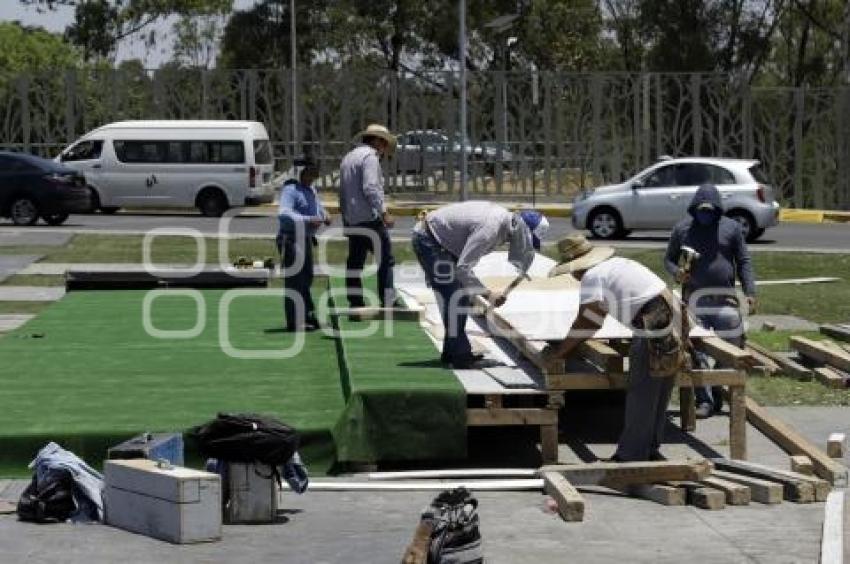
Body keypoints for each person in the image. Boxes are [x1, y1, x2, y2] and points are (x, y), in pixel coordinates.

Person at [543, 234, 690, 462]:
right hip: (674, 319)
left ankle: (631, 456)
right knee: (658, 391)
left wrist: (560, 352)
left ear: (576, 267)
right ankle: (649, 448)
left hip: (654, 325)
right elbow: (595, 316)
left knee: (641, 393)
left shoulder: (592, 276)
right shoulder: (616, 265)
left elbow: (588, 321)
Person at [412, 201, 548, 369]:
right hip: (430, 241)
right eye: (529, 242)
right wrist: (488, 294)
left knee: (459, 295)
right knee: (456, 298)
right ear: (522, 232)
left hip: (439, 242)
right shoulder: (490, 230)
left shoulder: (502, 224)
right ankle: (460, 357)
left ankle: (452, 354)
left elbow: (464, 265)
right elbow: (463, 269)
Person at [664, 183, 756, 419]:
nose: (706, 214)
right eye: (701, 210)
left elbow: (743, 261)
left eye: (710, 210)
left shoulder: (731, 228)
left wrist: (750, 292)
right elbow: (668, 260)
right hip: (694, 302)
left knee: (732, 348)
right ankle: (704, 400)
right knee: (697, 353)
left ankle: (717, 385)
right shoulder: (682, 229)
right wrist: (677, 273)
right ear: (694, 208)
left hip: (725, 302)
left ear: (718, 209)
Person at [339, 123, 398, 309]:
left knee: (355, 262)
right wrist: (383, 212)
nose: (384, 150)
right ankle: (388, 300)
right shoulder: (370, 158)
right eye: (384, 144)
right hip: (369, 219)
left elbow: (342, 192)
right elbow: (370, 188)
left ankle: (355, 302)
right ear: (377, 141)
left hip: (353, 219)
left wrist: (346, 219)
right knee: (385, 259)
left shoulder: (348, 158)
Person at [277, 160, 331, 331]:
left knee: (306, 278)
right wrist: (308, 219)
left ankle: (307, 315)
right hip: (292, 239)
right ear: (300, 172)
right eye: (309, 173)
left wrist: (325, 213)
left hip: (306, 238)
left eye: (315, 174)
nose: (312, 178)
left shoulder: (310, 188)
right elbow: (284, 213)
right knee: (295, 280)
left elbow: (317, 205)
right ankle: (295, 321)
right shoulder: (290, 190)